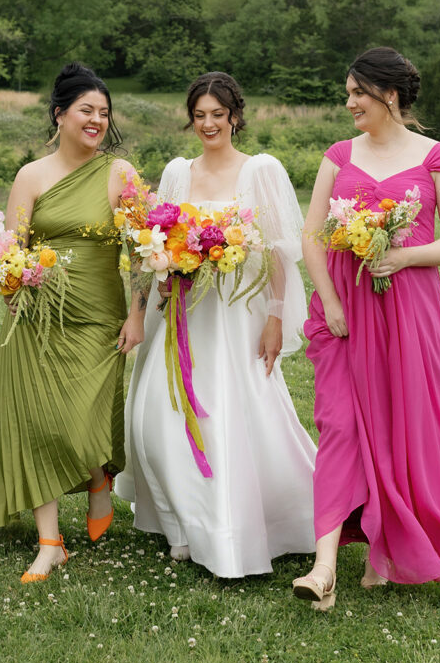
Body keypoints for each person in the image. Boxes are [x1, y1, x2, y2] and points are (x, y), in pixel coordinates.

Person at [293, 47, 440, 610]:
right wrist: (332, 301)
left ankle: (387, 553)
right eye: (348, 92)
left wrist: (405, 257)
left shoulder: (436, 157)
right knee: (339, 424)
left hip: (408, 312)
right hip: (344, 313)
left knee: (399, 426)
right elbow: (312, 235)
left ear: (388, 95)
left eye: (358, 92)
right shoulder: (339, 155)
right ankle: (324, 567)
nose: (349, 103)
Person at [115, 72, 316, 577]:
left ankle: (247, 522)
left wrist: (274, 317)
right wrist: (143, 303)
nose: (208, 124)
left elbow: (276, 253)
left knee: (230, 413)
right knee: (156, 417)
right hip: (179, 312)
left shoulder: (259, 171)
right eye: (200, 115)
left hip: (235, 316)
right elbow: (151, 245)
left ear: (235, 117)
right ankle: (183, 521)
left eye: (218, 115)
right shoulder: (178, 172)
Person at [0, 63, 147, 583]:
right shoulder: (32, 175)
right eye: (86, 111)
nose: (96, 121)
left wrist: (136, 315)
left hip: (97, 315)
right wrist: (9, 289)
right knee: (36, 420)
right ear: (60, 114)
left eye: (104, 113)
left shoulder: (120, 174)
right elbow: (10, 250)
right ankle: (50, 543)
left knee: (77, 418)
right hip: (38, 316)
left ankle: (97, 479)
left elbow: (142, 253)